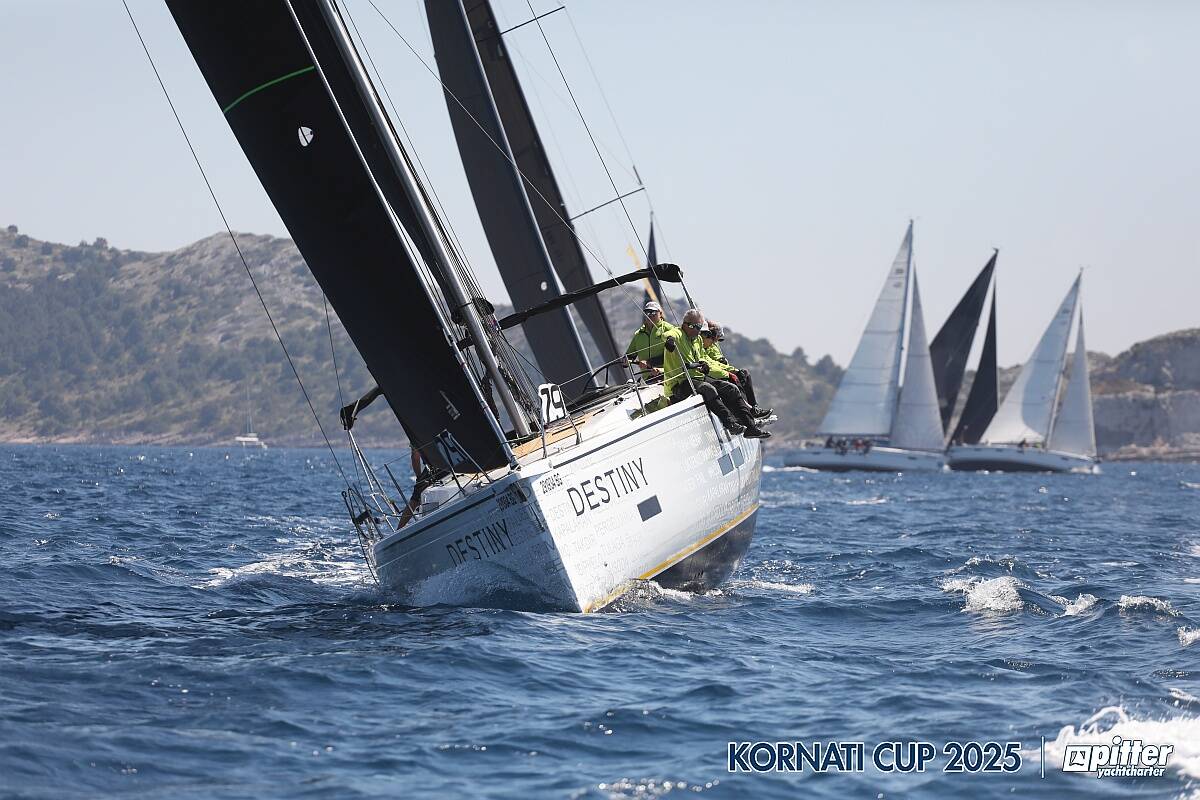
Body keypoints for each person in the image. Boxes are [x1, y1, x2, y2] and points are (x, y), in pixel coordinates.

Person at [663, 309, 770, 438]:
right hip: (679, 384)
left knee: (731, 388)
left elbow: (704, 359)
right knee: (708, 389)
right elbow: (668, 334)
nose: (699, 332)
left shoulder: (697, 340)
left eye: (700, 328)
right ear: (687, 325)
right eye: (697, 327)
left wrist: (708, 367)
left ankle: (751, 428)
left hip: (697, 378)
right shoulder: (678, 333)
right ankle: (731, 424)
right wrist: (669, 341)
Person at [700, 322, 771, 416]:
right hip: (710, 374)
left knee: (744, 374)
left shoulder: (712, 345)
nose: (715, 342)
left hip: (718, 371)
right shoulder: (701, 347)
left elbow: (716, 361)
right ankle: (748, 412)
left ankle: (754, 407)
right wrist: (728, 373)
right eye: (714, 338)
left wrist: (734, 370)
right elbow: (710, 365)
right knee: (733, 382)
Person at [625, 300, 678, 382]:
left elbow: (675, 354)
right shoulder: (638, 334)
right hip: (648, 379)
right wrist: (625, 361)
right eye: (647, 312)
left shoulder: (670, 329)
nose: (649, 315)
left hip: (667, 376)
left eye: (653, 312)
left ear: (660, 314)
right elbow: (630, 356)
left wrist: (650, 362)